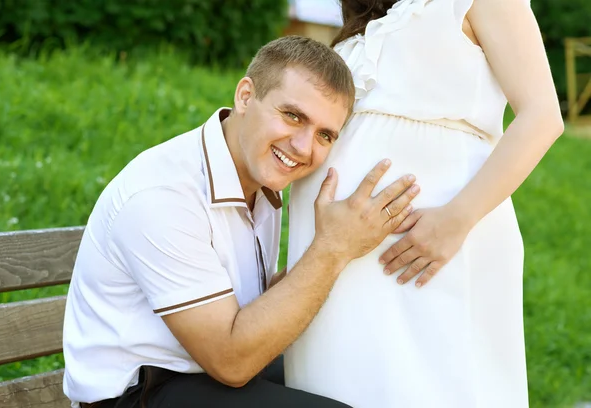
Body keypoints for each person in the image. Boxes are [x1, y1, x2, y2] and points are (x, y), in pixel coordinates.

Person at [62, 35, 420, 408]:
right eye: (293, 116)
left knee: (357, 378)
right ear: (246, 96)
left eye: (324, 135)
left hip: (205, 376)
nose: (303, 147)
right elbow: (231, 362)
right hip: (138, 395)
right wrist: (333, 248)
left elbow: (250, 313)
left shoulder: (257, 180)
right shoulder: (163, 195)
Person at [284, 1, 564, 407]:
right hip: (339, 262)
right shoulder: (370, 15)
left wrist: (457, 219)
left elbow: (543, 116)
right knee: (337, 385)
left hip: (434, 246)